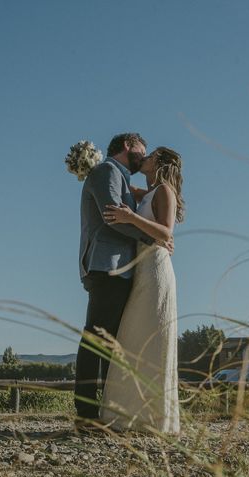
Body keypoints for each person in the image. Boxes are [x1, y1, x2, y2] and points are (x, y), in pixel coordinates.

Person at [74, 133, 174, 428]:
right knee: (96, 340)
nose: (144, 156)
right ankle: (86, 414)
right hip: (107, 266)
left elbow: (140, 205)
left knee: (111, 343)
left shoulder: (120, 178)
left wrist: (156, 227)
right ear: (129, 146)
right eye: (142, 150)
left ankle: (105, 411)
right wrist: (150, 237)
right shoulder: (106, 170)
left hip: (123, 268)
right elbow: (111, 217)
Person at [100, 146, 185, 435]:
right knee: (133, 336)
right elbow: (121, 185)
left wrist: (131, 218)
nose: (143, 159)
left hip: (157, 270)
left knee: (152, 339)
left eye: (149, 157)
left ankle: (154, 418)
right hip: (141, 270)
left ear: (159, 163)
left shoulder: (164, 191)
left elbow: (166, 233)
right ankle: (129, 414)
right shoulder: (146, 192)